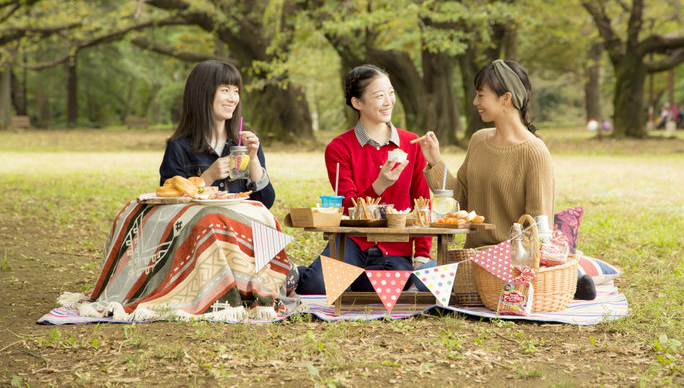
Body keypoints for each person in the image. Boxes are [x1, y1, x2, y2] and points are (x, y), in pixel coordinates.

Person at [418, 59, 595, 300]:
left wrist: (529, 264)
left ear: (506, 98)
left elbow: (538, 226)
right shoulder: (478, 140)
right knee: (419, 278)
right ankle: (578, 275)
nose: (475, 102)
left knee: (425, 279)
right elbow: (459, 199)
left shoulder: (534, 151)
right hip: (474, 257)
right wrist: (435, 162)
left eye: (481, 95)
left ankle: (575, 276)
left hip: (512, 264)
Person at [296, 64, 432, 294]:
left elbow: (422, 202)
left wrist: (421, 255)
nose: (388, 101)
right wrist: (379, 185)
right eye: (379, 96)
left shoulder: (412, 144)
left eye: (391, 93)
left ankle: (351, 282)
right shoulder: (339, 148)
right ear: (357, 103)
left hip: (395, 247)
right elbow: (348, 206)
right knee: (316, 288)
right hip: (351, 241)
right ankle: (301, 274)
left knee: (383, 293)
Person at [159, 60, 275, 209]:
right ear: (202, 93)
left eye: (236, 91)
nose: (233, 99)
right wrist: (208, 177)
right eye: (225, 90)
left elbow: (266, 203)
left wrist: (252, 159)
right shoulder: (179, 147)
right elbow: (168, 204)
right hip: (199, 227)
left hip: (239, 226)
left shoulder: (245, 141)